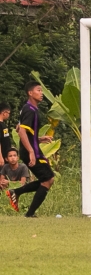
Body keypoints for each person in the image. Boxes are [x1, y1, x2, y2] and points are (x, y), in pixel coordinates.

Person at [5, 81, 55, 217]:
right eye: (39, 90)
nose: (41, 93)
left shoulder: (29, 109)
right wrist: (32, 151)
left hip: (31, 149)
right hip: (30, 152)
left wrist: (39, 139)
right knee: (47, 180)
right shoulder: (29, 110)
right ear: (30, 93)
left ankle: (17, 193)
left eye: (41, 90)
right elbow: (21, 132)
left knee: (48, 179)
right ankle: (29, 213)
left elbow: (20, 128)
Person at [0, 102, 12, 167]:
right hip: (2, 156)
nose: (8, 115)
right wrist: (0, 157)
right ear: (4, 113)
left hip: (6, 155)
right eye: (8, 113)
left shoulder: (3, 124)